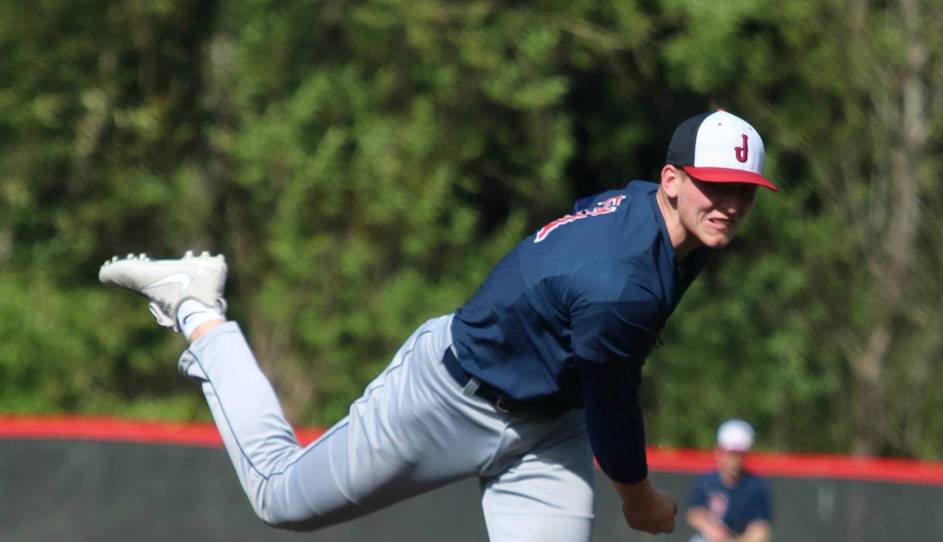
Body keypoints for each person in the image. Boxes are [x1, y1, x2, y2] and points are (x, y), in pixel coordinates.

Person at [99, 110, 777, 541]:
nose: (728, 203)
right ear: (671, 180)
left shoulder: (655, 221)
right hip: (450, 397)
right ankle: (198, 308)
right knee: (281, 497)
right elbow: (614, 409)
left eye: (742, 189)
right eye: (713, 184)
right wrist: (639, 498)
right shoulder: (621, 282)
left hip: (547, 425)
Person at [685, 419, 773, 542]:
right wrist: (711, 529)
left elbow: (760, 528)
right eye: (729, 454)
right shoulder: (708, 481)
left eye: (738, 455)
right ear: (718, 451)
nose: (733, 461)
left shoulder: (755, 486)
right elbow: (694, 512)